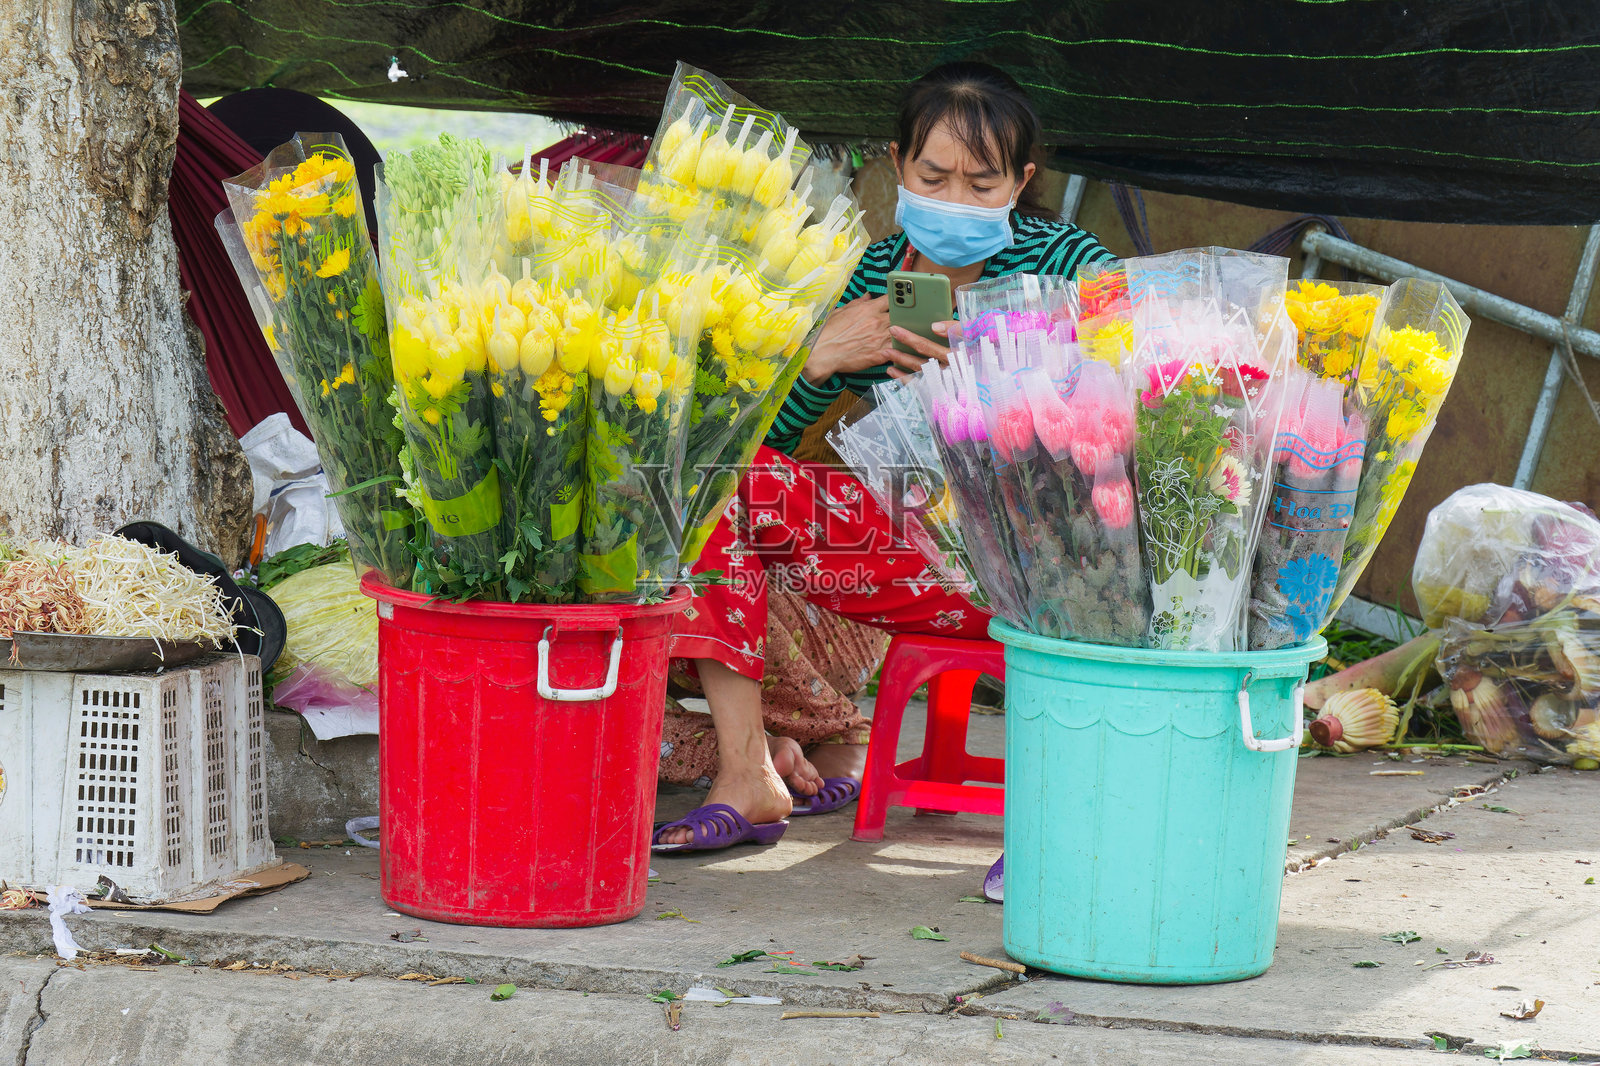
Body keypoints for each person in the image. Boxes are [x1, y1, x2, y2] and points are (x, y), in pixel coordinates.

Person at [654, 62, 1117, 851]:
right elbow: (765, 447)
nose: (955, 201)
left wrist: (1004, 385)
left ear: (1022, 180)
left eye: (982, 183)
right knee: (721, 484)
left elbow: (1146, 400)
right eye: (934, 176)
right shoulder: (873, 275)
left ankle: (823, 736)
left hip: (1047, 569)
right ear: (898, 165)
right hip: (910, 550)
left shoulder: (1070, 265)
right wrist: (816, 359)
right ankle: (746, 774)